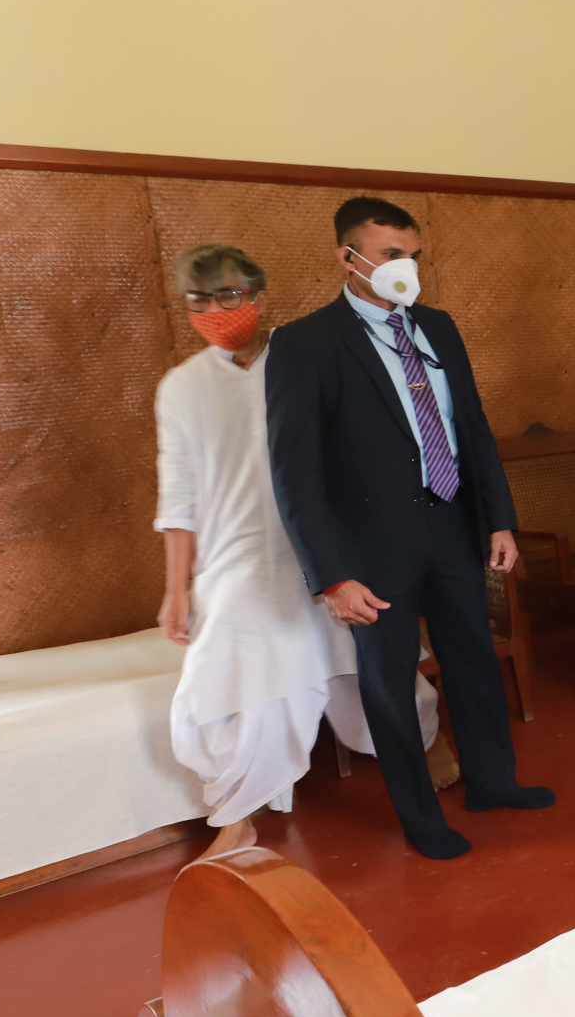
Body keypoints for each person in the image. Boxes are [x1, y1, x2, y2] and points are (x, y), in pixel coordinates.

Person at [266, 196, 553, 860]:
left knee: (473, 661)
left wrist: (500, 521)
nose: (407, 269)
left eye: (414, 256)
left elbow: (471, 430)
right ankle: (422, 819)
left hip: (453, 526)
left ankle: (492, 781)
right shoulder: (306, 343)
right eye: (392, 255)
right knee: (390, 684)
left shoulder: (439, 327)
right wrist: (330, 575)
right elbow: (295, 473)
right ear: (348, 257)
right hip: (370, 552)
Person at [155, 244, 435, 853]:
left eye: (228, 294)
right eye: (199, 299)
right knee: (226, 677)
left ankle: (416, 752)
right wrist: (176, 590)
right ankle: (236, 814)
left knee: (376, 663)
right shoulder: (181, 387)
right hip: (237, 559)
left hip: (328, 545)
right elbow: (177, 498)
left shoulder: (307, 353)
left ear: (259, 295)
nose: (215, 309)